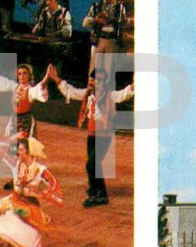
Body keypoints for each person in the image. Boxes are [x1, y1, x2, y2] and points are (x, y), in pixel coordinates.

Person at [47, 65, 134, 207]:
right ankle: (96, 192)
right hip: (92, 135)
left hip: (103, 135)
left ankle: (99, 194)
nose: (93, 82)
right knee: (94, 165)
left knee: (91, 164)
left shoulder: (108, 96)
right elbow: (71, 91)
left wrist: (136, 84)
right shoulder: (88, 94)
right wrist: (55, 78)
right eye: (92, 79)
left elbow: (124, 94)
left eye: (97, 80)